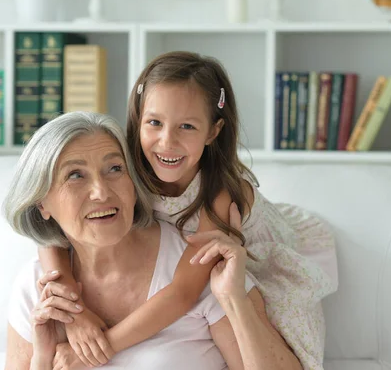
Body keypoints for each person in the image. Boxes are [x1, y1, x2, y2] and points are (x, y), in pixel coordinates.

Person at [37, 52, 338, 370]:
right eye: (154, 123)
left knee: (266, 331)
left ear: (213, 131)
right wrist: (76, 309)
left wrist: (100, 348)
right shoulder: (122, 168)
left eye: (187, 127)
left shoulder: (221, 194)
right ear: (138, 118)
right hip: (177, 261)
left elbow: (184, 292)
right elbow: (53, 234)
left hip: (254, 257)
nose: (167, 142)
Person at [3, 111, 302, 370]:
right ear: (42, 203)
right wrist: (43, 359)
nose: (102, 192)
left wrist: (235, 299)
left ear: (135, 182)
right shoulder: (37, 288)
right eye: (75, 175)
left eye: (115, 169)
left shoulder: (199, 264)